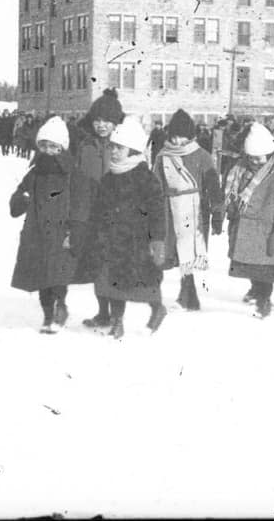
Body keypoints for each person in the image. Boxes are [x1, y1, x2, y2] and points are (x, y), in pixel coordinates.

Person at [9, 117, 91, 333]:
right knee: (40, 276)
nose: (47, 150)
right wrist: (21, 199)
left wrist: (76, 230)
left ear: (62, 147)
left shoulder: (73, 173)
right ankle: (48, 314)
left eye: (52, 146)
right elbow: (17, 199)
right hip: (36, 232)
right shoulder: (34, 172)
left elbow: (80, 204)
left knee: (57, 277)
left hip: (61, 231)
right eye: (43, 145)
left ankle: (60, 309)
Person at [88, 117, 168, 339]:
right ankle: (117, 322)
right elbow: (99, 208)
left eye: (119, 148)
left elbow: (157, 212)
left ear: (132, 150)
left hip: (137, 242)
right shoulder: (109, 177)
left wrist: (158, 240)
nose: (113, 152)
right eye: (112, 147)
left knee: (144, 285)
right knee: (112, 283)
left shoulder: (145, 177)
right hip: (112, 239)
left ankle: (157, 310)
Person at [153, 109, 222, 312]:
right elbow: (154, 184)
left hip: (195, 211)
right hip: (168, 210)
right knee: (173, 253)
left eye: (181, 135)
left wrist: (218, 213)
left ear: (190, 136)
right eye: (173, 135)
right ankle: (190, 298)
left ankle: (187, 297)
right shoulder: (162, 157)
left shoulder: (203, 156)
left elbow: (214, 188)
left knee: (188, 252)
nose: (177, 140)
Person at [224, 123, 274, 318]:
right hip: (244, 228)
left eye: (258, 158)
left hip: (266, 230)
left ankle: (264, 303)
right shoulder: (239, 170)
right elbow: (232, 193)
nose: (254, 162)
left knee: (265, 272)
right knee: (252, 269)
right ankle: (256, 292)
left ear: (270, 154)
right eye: (251, 158)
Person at [74, 89, 125, 329]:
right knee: (97, 267)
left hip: (117, 216)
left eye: (107, 120)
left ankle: (117, 317)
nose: (101, 125)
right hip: (91, 216)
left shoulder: (124, 147)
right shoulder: (84, 145)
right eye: (97, 119)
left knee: (114, 268)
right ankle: (103, 313)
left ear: (116, 122)